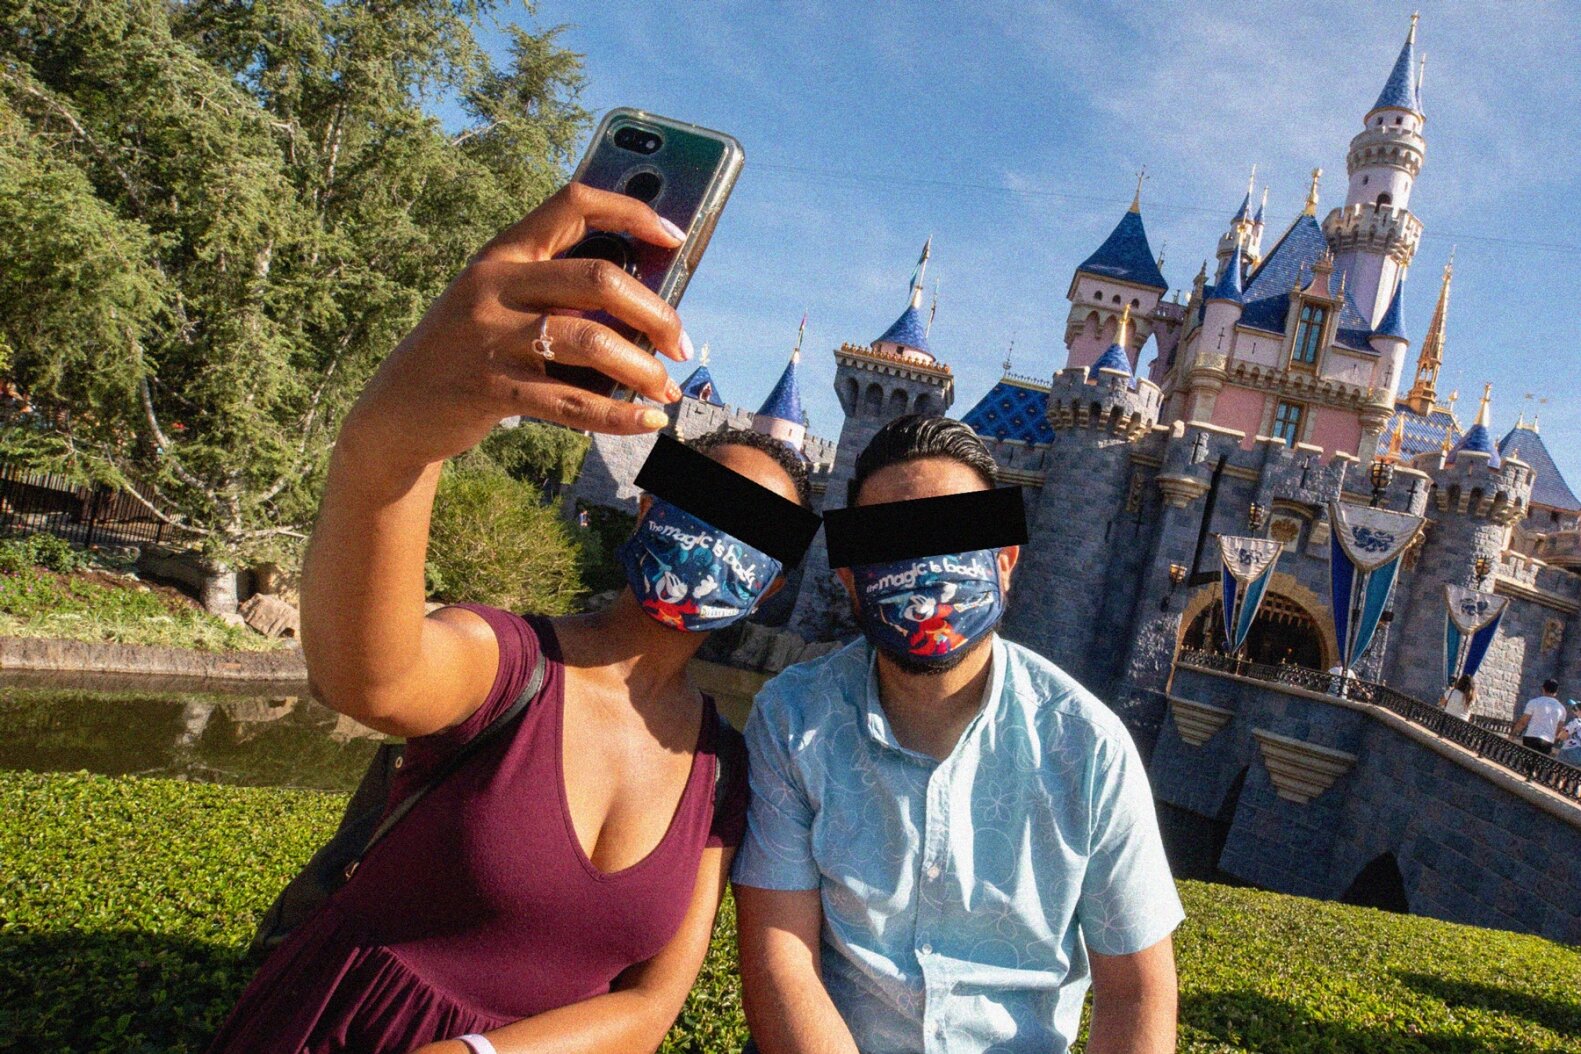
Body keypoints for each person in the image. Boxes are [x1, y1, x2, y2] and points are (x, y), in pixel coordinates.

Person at [207, 183, 815, 1054]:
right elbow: (365, 677)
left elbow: (648, 1010)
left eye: (754, 532)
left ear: (768, 586)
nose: (719, 540)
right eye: (702, 507)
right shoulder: (510, 663)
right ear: (645, 515)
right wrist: (391, 442)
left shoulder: (722, 767)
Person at [733, 415, 1183, 1054]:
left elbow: (1137, 990)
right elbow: (782, 961)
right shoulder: (794, 720)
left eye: (951, 535)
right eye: (891, 542)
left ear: (1005, 563)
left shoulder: (1088, 746)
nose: (924, 563)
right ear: (848, 578)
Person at [1513, 679, 1568, 757]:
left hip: (1531, 736)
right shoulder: (1562, 709)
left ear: (1543, 689)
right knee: (1539, 765)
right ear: (1556, 692)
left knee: (1527, 763)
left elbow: (1523, 722)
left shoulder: (1534, 702)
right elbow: (1559, 730)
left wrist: (1513, 733)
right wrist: (1553, 741)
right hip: (1547, 740)